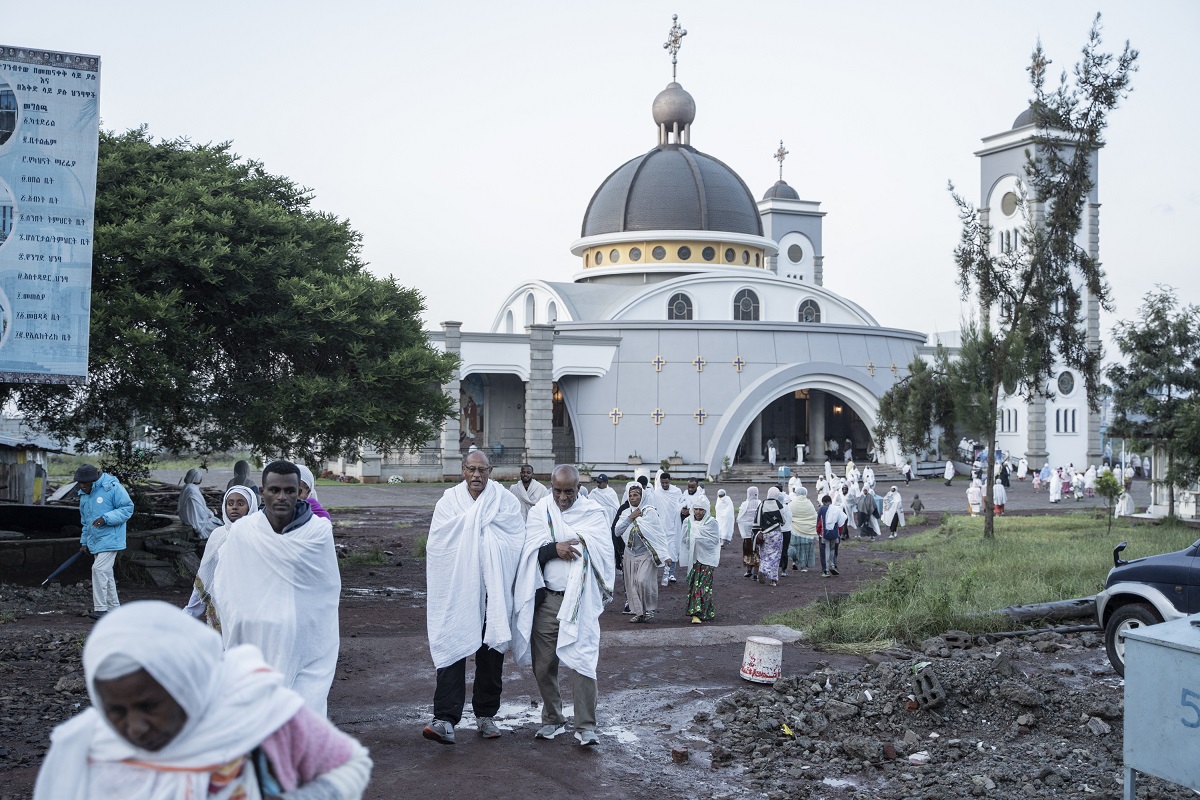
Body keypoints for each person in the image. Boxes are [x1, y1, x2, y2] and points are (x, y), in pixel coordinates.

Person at [34, 601, 371, 800]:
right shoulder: (85, 751)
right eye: (115, 712)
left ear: (189, 684)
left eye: (150, 706)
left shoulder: (258, 715)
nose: (134, 728)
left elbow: (348, 764)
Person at [211, 461, 340, 716]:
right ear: (262, 492)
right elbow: (226, 586)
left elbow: (326, 589)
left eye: (289, 491)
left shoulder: (318, 532)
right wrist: (243, 621)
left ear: (300, 492)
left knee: (304, 716)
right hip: (258, 640)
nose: (281, 497)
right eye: (274, 490)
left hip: (307, 642)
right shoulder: (243, 533)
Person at [422, 451, 525, 745]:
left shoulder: (505, 501)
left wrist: (489, 547)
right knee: (453, 650)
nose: (477, 475)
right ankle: (444, 719)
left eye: (482, 469)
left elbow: (515, 539)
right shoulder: (449, 502)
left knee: (491, 655)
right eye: (471, 469)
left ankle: (486, 715)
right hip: (458, 590)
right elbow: (438, 545)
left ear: (490, 470)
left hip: (493, 591)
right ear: (463, 470)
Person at [512, 465, 614, 746]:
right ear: (551, 486)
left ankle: (586, 726)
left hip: (580, 601)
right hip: (547, 600)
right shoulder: (539, 512)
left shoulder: (593, 513)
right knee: (543, 665)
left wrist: (580, 542)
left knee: (582, 662)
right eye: (557, 491)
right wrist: (553, 548)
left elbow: (605, 552)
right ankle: (553, 719)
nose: (563, 497)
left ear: (579, 487)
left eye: (569, 491)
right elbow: (529, 553)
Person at [185, 485, 259, 628]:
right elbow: (206, 574)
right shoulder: (217, 536)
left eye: (240, 503)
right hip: (221, 608)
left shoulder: (259, 537)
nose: (234, 507)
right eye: (230, 503)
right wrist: (189, 613)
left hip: (251, 612)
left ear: (251, 506)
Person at [75, 464, 135, 621]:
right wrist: (84, 542)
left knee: (99, 569)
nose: (82, 487)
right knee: (106, 574)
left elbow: (128, 508)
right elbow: (85, 522)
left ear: (94, 480)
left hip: (111, 538)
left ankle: (101, 609)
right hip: (95, 540)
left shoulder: (113, 487)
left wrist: (106, 519)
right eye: (80, 483)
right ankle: (114, 609)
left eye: (85, 484)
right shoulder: (84, 495)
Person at [613, 481, 671, 623]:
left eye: (636, 495)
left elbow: (658, 534)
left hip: (646, 553)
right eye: (631, 495)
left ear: (642, 496)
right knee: (632, 585)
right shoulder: (626, 513)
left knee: (643, 581)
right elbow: (617, 531)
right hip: (629, 553)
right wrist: (630, 518)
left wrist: (665, 555)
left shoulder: (650, 512)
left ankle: (649, 609)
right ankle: (639, 613)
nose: (633, 498)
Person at [680, 496, 720, 624]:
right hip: (694, 559)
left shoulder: (712, 522)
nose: (697, 512)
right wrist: (693, 541)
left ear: (705, 510)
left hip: (707, 559)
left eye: (700, 509)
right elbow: (685, 539)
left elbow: (714, 540)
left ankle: (704, 612)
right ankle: (695, 613)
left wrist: (698, 539)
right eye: (695, 509)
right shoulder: (688, 522)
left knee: (704, 586)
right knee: (694, 585)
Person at [654, 471, 684, 586]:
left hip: (674, 525)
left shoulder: (676, 492)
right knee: (661, 550)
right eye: (662, 483)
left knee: (673, 549)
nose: (664, 485)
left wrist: (681, 510)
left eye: (666, 482)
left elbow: (681, 505)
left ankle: (671, 574)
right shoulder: (657, 493)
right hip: (661, 527)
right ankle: (661, 573)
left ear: (670, 481)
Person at [754, 488, 786, 587]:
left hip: (764, 534)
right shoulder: (779, 504)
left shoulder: (762, 504)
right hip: (776, 533)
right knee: (775, 556)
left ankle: (762, 570)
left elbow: (757, 520)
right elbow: (783, 520)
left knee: (764, 554)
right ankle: (772, 578)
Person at [177, 468, 221, 540]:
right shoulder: (192, 490)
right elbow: (199, 511)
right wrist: (210, 513)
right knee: (218, 528)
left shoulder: (187, 487)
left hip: (185, 518)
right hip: (193, 519)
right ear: (196, 478)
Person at [788, 487, 818, 572]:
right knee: (805, 548)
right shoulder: (809, 504)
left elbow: (788, 515)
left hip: (795, 530)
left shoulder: (792, 503)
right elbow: (814, 516)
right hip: (808, 531)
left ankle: (794, 562)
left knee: (795, 547)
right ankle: (803, 567)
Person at [818, 494, 846, 578]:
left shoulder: (822, 509)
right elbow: (841, 523)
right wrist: (839, 534)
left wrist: (818, 532)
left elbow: (819, 522)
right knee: (833, 550)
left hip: (825, 533)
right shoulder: (836, 509)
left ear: (823, 502)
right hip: (835, 534)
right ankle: (833, 566)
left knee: (826, 551)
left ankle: (825, 570)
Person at [737, 486, 761, 579]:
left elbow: (740, 518)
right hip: (757, 532)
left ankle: (749, 570)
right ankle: (755, 573)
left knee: (748, 551)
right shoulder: (760, 503)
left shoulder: (744, 504)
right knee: (757, 552)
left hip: (747, 533)